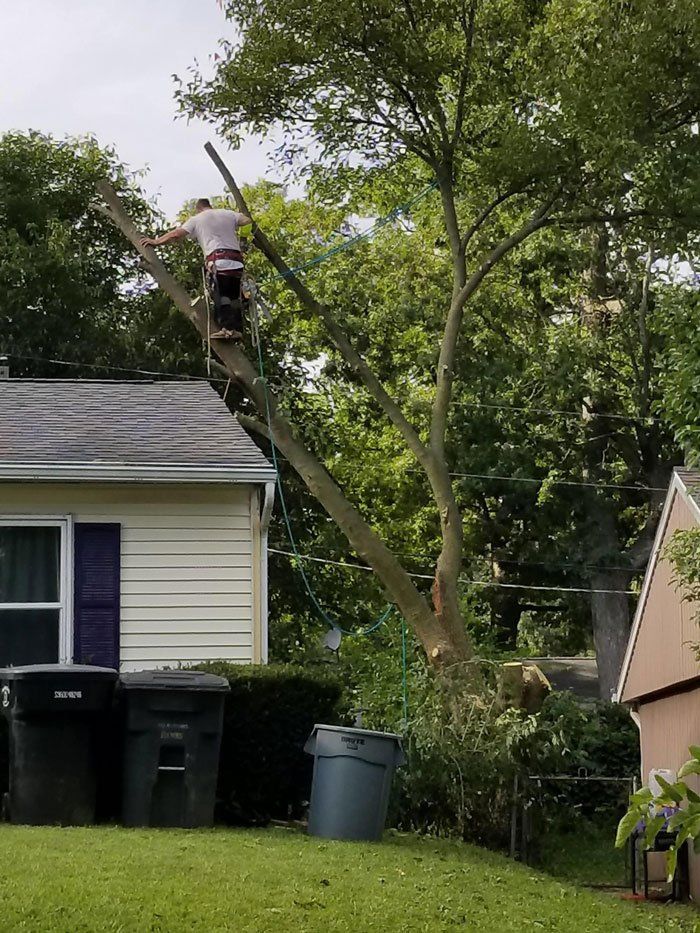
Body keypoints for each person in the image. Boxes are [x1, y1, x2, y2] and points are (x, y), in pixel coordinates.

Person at [140, 199, 252, 340]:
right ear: (210, 206)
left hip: (218, 261)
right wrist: (243, 240)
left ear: (198, 209)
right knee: (233, 297)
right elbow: (247, 221)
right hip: (236, 263)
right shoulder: (228, 214)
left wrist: (156, 242)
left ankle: (227, 329)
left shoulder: (197, 219)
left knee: (221, 295)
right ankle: (237, 329)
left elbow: (176, 234)